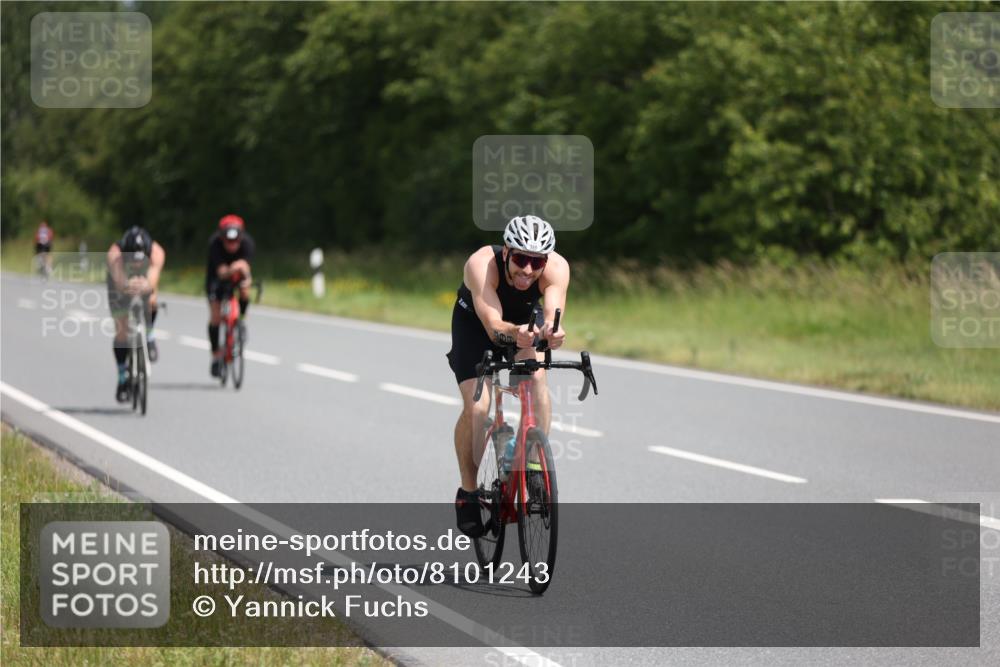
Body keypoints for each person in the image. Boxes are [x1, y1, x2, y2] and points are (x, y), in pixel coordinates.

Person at [446, 215, 569, 537]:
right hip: (478, 325)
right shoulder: (481, 263)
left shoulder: (557, 267)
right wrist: (518, 334)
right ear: (506, 254)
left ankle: (530, 464)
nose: (528, 270)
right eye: (520, 259)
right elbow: (494, 325)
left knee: (538, 377)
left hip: (525, 322)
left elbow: (553, 316)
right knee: (477, 407)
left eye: (536, 262)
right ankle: (469, 493)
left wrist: (551, 334)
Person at [106, 226, 165, 402]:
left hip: (144, 279)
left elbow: (152, 279)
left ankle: (149, 334)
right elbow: (119, 281)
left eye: (141, 259)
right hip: (121, 281)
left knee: (152, 300)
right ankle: (122, 377)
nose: (138, 263)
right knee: (122, 329)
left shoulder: (156, 252)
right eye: (133, 259)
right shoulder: (115, 254)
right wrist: (127, 286)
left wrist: (147, 287)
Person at [205, 214, 255, 377]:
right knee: (216, 317)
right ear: (222, 238)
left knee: (245, 290)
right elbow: (221, 272)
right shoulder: (215, 244)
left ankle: (241, 319)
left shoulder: (247, 244)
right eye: (228, 242)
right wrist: (235, 267)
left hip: (237, 275)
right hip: (217, 278)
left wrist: (245, 276)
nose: (232, 246)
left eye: (235, 242)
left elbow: (247, 272)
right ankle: (215, 356)